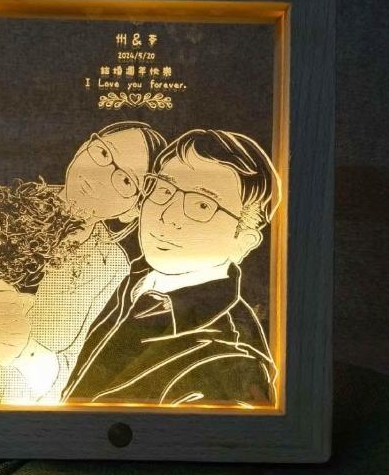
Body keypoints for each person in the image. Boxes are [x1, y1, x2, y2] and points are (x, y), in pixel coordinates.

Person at [63, 128, 281, 407]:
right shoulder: (137, 280)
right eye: (164, 190)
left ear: (243, 241)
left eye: (202, 205)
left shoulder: (229, 359)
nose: (166, 215)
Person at [0, 121, 167, 404]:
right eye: (103, 153)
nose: (101, 175)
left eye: (126, 180)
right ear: (84, 146)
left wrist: (24, 351)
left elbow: (75, 369)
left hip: (21, 408)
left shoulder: (112, 266)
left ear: (133, 211)